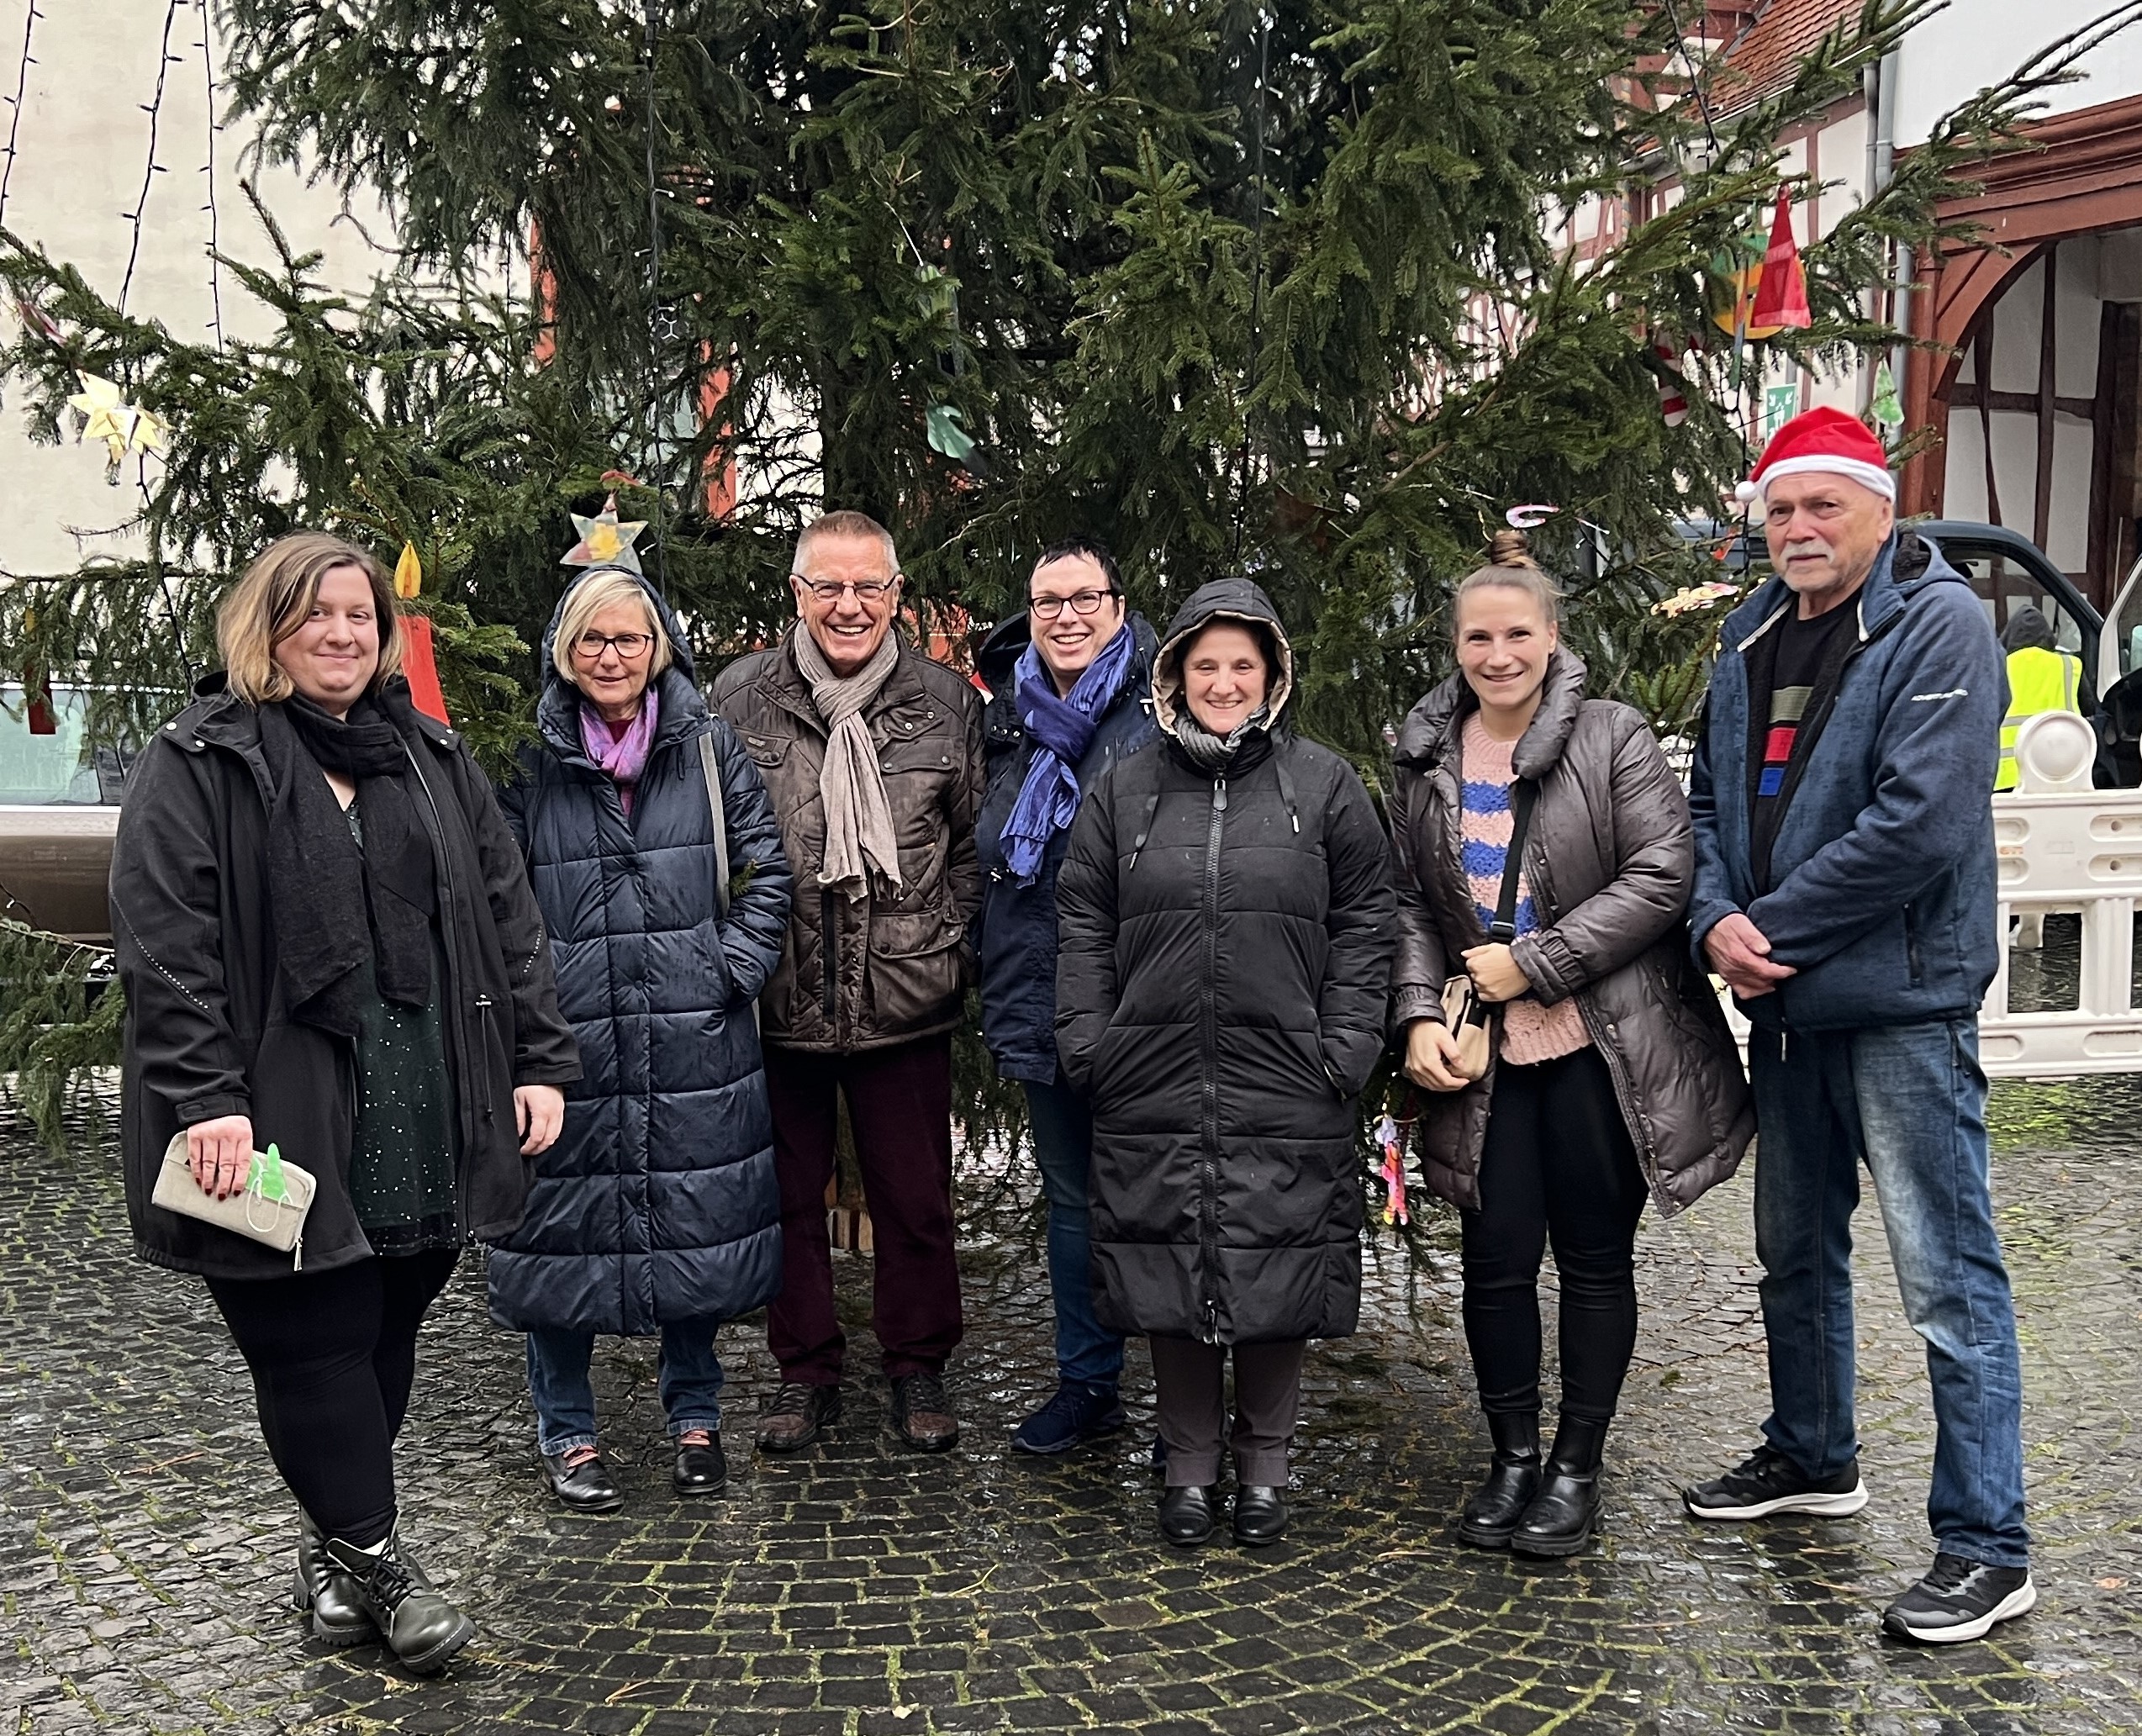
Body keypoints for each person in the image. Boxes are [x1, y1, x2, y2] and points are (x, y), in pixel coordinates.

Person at [110, 532, 579, 1673]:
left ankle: (331, 1551)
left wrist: (540, 1060)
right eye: (313, 614)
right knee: (307, 1334)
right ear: (265, 629)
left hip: (425, 1091)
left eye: (359, 616)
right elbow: (166, 940)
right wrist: (205, 1097)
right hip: (266, 1105)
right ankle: (383, 1562)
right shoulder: (202, 757)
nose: (339, 633)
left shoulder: (425, 755)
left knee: (382, 1326)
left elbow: (505, 917)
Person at [1683, 406, 2034, 1644]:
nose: (1798, 528)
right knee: (1794, 1252)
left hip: (1896, 1001)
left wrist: (1763, 930)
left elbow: (1921, 822)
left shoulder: (1937, 622)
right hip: (1787, 1005)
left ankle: (1989, 1544)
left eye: (1822, 505)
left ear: (1880, 508)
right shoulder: (1751, 634)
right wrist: (1712, 915)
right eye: (1779, 509)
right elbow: (1708, 806)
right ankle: (1813, 1455)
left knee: (1946, 1278)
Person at [1390, 531, 1753, 1558]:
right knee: (1494, 1264)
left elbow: (1659, 876)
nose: (1496, 653)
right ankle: (1509, 1456)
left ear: (1551, 637)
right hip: (1485, 1058)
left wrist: (1536, 964)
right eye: (1476, 636)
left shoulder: (1609, 737)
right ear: (1454, 645)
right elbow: (1406, 904)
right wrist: (1420, 1012)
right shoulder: (1422, 757)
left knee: (1594, 1260)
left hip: (1604, 1043)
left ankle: (1575, 1465)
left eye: (1516, 632)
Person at [1055, 577, 1394, 1547]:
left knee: (1275, 1266)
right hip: (1151, 1071)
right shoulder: (1124, 787)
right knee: (1168, 1266)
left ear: (1272, 674)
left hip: (1289, 1070)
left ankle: (1266, 1471)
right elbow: (1083, 920)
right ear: (1175, 675)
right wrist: (1090, 1040)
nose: (1223, 681)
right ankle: (1189, 1469)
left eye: (1242, 664)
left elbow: (1367, 918)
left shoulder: (1321, 785)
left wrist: (1346, 1045)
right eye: (1205, 664)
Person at [489, 563, 794, 1512]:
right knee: (557, 1239)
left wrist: (725, 971)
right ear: (562, 651)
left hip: (690, 1036)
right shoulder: (525, 757)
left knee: (691, 1229)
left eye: (628, 638)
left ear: (658, 646)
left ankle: (694, 1415)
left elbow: (767, 871)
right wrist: (525, 1006)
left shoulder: (706, 745)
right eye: (591, 639)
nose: (610, 656)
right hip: (562, 1040)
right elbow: (492, 901)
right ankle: (569, 1433)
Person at [710, 509, 984, 1453]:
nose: (849, 604)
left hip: (904, 994)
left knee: (915, 1200)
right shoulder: (740, 699)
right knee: (786, 1196)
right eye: (827, 585)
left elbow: (971, 851)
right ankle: (804, 1370)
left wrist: (948, 938)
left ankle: (918, 1366)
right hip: (782, 994)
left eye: (869, 585)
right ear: (797, 593)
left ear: (897, 595)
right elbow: (718, 852)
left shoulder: (946, 703)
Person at [973, 538, 1158, 1454]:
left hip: (1145, 1003)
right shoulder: (1006, 716)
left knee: (1163, 1198)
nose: (1067, 616)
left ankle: (1190, 1407)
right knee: (1075, 1202)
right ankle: (1089, 1382)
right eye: (1049, 601)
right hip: (1041, 995)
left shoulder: (1160, 709)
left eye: (1087, 597)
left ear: (1119, 606)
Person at [1995, 604, 2088, 792]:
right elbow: (2090, 710)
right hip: (2062, 772)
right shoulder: (2069, 665)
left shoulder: (1997, 667)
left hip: (2004, 779)